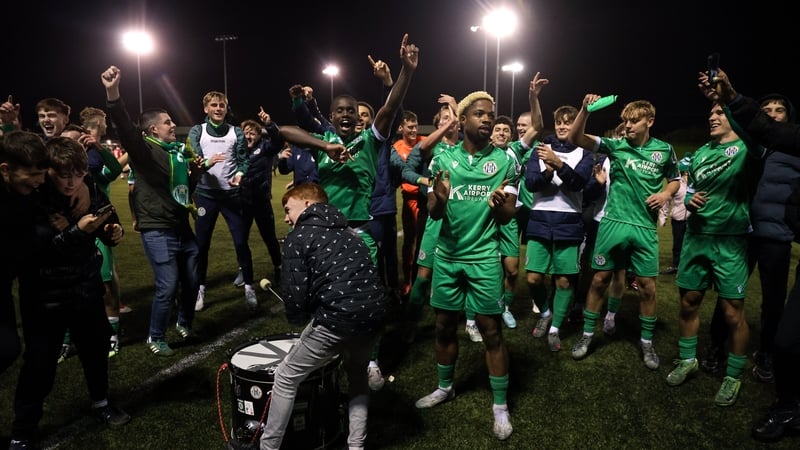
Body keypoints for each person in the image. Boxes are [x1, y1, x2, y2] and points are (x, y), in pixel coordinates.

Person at [289, 35, 418, 392]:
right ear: (331, 117)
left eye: (352, 111)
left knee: (365, 301)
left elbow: (390, 108)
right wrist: (324, 144)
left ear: (360, 119)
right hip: (324, 234)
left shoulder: (369, 140)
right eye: (340, 111)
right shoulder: (323, 142)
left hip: (360, 231)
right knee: (323, 297)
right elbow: (284, 130)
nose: (347, 115)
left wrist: (406, 72)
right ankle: (327, 353)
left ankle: (370, 359)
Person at [698, 69, 800, 440]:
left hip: (776, 235)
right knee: (729, 294)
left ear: (788, 118)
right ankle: (715, 346)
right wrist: (723, 99)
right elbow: (734, 129)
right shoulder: (751, 146)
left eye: (779, 110)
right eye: (767, 108)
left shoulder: (792, 148)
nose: (772, 113)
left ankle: (768, 354)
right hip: (744, 230)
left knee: (773, 301)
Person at [9, 136, 129, 449]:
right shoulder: (32, 194)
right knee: (39, 363)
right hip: (44, 294)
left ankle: (101, 403)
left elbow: (108, 215)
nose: (71, 181)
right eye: (64, 174)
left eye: (78, 173)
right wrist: (79, 231)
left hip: (86, 286)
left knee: (96, 348)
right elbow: (38, 250)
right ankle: (23, 429)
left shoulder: (88, 185)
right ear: (49, 171)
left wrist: (113, 230)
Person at [414, 90, 520, 441]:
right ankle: (446, 387)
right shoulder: (443, 157)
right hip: (447, 256)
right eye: (479, 114)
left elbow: (507, 216)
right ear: (462, 120)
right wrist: (440, 199)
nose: (487, 119)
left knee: (491, 330)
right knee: (444, 326)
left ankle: (500, 406)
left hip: (483, 258)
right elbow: (433, 210)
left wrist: (500, 203)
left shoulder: (505, 162)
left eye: (491, 114)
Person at [258, 182, 387, 450]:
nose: (285, 217)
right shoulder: (352, 233)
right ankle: (356, 446)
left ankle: (267, 448)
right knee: (357, 376)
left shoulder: (299, 236)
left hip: (337, 320)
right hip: (374, 317)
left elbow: (294, 299)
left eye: (288, 209)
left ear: (307, 204)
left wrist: (300, 316)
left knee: (285, 377)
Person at [567, 96, 680, 370]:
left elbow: (675, 180)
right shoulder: (615, 146)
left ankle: (646, 342)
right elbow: (575, 138)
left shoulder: (664, 150)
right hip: (613, 223)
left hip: (644, 228)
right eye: (626, 121)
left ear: (649, 121)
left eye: (634, 121)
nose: (627, 126)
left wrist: (665, 193)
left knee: (648, 288)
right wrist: (584, 109)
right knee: (598, 281)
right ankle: (587, 335)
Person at [101, 65, 204, 357]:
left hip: (182, 225)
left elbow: (184, 190)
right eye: (168, 122)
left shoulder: (177, 154)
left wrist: (195, 174)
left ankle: (184, 321)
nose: (173, 125)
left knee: (192, 280)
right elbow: (125, 128)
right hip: (157, 228)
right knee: (168, 285)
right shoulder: (144, 151)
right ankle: (155, 336)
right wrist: (113, 92)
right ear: (152, 130)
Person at [665, 96, 761, 406]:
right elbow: (685, 183)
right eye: (711, 112)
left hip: (730, 240)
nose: (713, 116)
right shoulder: (700, 153)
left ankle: (733, 376)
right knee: (689, 303)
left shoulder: (747, 148)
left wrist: (729, 99)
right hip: (696, 237)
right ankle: (687, 359)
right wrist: (689, 196)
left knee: (733, 313)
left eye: (720, 112)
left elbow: (757, 141)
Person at [525, 104, 594, 352]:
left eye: (568, 122)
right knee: (533, 278)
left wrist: (559, 166)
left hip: (569, 223)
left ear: (576, 125)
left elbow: (578, 184)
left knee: (564, 282)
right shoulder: (540, 149)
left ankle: (554, 328)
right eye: (559, 122)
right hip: (540, 220)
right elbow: (531, 182)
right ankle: (545, 313)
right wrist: (547, 173)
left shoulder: (585, 153)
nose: (563, 126)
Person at [187, 91, 257, 311]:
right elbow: (195, 159)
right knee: (202, 246)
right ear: (206, 108)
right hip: (206, 197)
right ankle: (200, 288)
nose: (218, 109)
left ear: (227, 108)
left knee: (240, 243)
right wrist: (207, 163)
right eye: (214, 105)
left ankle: (248, 286)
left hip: (231, 196)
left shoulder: (236, 132)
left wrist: (240, 174)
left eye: (222, 105)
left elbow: (244, 161)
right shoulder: (197, 131)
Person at [0, 131, 49, 375]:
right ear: (5, 170)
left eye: (42, 174)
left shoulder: (28, 192)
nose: (39, 181)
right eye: (32, 175)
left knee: (11, 349)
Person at [238, 112, 284, 287]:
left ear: (258, 135)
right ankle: (243, 270)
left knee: (269, 238)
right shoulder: (238, 152)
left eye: (252, 133)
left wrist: (270, 124)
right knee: (240, 239)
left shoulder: (265, 148)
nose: (248, 136)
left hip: (261, 202)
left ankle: (278, 266)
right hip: (242, 202)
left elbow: (278, 142)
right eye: (245, 132)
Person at [391, 110, 425, 297]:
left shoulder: (424, 141)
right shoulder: (397, 147)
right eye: (409, 127)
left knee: (426, 243)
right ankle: (408, 281)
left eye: (415, 126)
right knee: (409, 243)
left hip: (426, 200)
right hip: (409, 201)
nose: (413, 130)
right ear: (401, 127)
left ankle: (424, 281)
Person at [657, 153, 691, 275]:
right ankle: (676, 266)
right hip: (678, 219)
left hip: (692, 220)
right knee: (677, 244)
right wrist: (663, 217)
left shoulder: (695, 184)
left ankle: (689, 267)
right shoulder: (677, 185)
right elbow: (666, 200)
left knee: (691, 245)